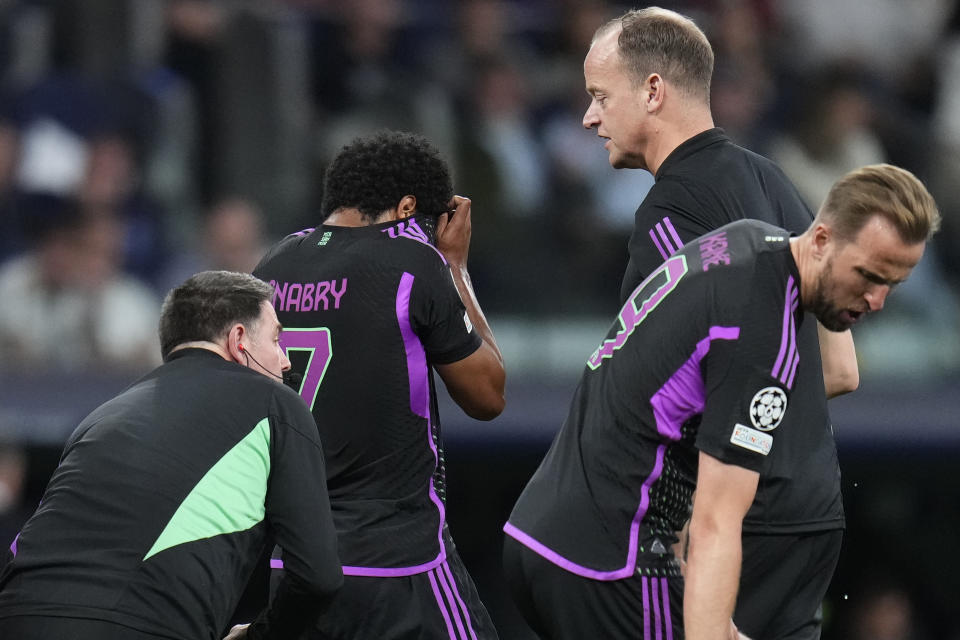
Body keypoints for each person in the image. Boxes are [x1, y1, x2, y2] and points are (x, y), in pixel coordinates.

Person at [503, 163, 939, 640]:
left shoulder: (748, 242)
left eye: (892, 284)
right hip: (610, 563)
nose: (877, 300)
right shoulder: (763, 335)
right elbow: (716, 522)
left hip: (542, 539)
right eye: (868, 275)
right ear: (820, 239)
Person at [577, 7, 859, 639]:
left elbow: (647, 402)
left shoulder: (670, 212)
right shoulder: (776, 180)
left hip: (733, 521)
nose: (589, 117)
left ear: (653, 91)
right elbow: (840, 369)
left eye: (599, 96)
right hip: (814, 512)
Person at [252, 130, 505, 639]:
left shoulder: (273, 265)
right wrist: (455, 266)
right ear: (407, 207)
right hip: (399, 560)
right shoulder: (414, 261)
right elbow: (488, 396)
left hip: (296, 562)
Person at [0, 270, 342, 640]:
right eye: (276, 339)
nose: (285, 360)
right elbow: (317, 576)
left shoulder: (101, 415)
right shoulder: (277, 404)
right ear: (238, 339)